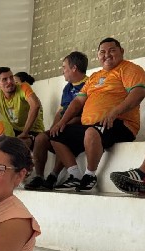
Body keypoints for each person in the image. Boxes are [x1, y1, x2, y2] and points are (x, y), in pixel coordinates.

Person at [50, 37, 145, 192]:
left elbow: (138, 93)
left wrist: (115, 111)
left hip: (121, 124)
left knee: (91, 131)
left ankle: (90, 175)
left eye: (112, 50)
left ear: (121, 51)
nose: (106, 55)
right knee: (56, 135)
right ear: (98, 55)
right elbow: (78, 102)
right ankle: (75, 175)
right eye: (102, 52)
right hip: (92, 127)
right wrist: (62, 122)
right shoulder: (95, 76)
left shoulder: (129, 69)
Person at [25, 51, 89, 191]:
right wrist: (54, 126)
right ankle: (39, 177)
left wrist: (62, 125)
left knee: (61, 134)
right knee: (41, 138)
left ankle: (53, 176)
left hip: (80, 127)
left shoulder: (89, 84)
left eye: (64, 67)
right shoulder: (68, 87)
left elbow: (85, 115)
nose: (62, 71)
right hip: (64, 125)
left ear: (74, 68)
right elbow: (61, 111)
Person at [0, 67, 44, 149]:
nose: (10, 81)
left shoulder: (23, 87)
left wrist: (25, 132)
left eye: (11, 77)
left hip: (33, 131)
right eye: (5, 79)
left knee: (16, 147)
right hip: (14, 131)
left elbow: (35, 105)